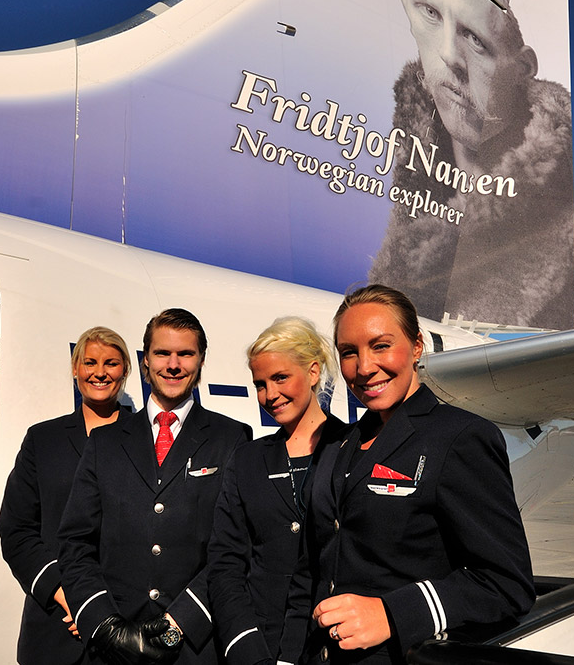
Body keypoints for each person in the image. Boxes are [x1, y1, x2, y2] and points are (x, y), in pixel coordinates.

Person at [278, 285, 535, 664]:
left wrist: (392, 614)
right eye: (349, 353)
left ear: (416, 346)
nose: (364, 368)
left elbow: (507, 584)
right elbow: (313, 564)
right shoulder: (338, 445)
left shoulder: (459, 438)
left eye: (380, 345)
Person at [370, 0, 574, 329]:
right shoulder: (389, 183)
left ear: (523, 68)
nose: (448, 54)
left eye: (475, 40)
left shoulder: (571, 234)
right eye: (429, 12)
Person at [58, 307, 252, 664]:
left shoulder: (232, 439)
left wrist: (180, 623)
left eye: (185, 354)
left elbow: (236, 547)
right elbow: (75, 542)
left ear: (201, 361)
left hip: (193, 647)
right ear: (145, 361)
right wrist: (104, 624)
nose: (173, 364)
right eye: (162, 353)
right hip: (112, 647)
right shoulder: (104, 443)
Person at [207, 317, 346, 665]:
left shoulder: (351, 448)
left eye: (280, 378)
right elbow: (226, 562)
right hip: (257, 648)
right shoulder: (247, 459)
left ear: (313, 372)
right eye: (260, 384)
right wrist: (246, 648)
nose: (270, 395)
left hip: (331, 644)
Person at [0, 325, 133, 665]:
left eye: (111, 363)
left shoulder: (147, 440)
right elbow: (17, 530)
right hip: (53, 630)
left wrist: (100, 607)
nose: (99, 373)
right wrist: (69, 596)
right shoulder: (43, 440)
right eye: (89, 362)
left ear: (126, 371)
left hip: (125, 628)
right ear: (75, 369)